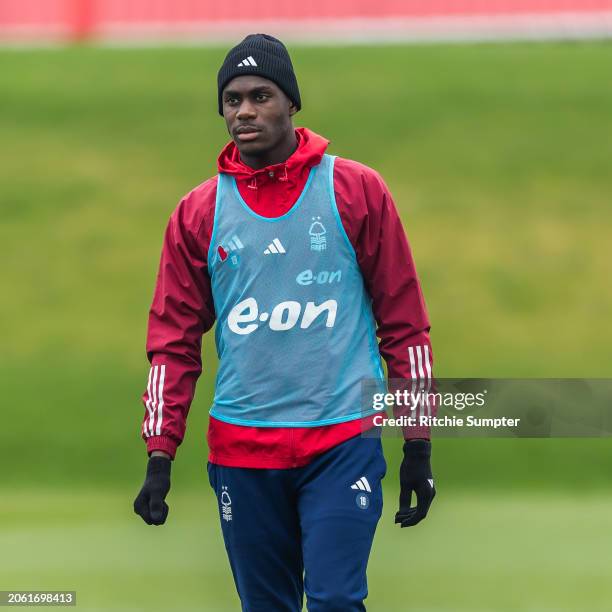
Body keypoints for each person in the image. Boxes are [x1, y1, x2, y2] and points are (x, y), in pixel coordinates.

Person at [134, 33, 436, 612]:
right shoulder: (198, 213)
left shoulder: (356, 191)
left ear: (291, 103)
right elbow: (172, 345)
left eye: (261, 96)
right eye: (232, 100)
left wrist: (417, 443)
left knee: (335, 601)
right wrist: (159, 452)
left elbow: (405, 327)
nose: (244, 111)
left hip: (342, 440)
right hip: (241, 453)